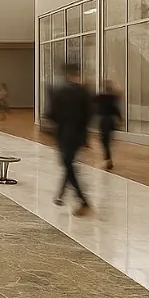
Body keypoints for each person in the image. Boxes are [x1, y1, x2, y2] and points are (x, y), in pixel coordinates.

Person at [46, 63, 93, 216]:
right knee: (69, 163)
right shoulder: (84, 92)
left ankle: (82, 200)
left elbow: (51, 114)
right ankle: (61, 194)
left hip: (64, 133)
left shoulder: (60, 92)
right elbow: (89, 115)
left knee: (67, 163)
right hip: (78, 134)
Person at [94, 81, 123, 170]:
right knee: (106, 140)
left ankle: (107, 159)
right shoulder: (113, 97)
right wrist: (120, 118)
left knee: (104, 141)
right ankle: (108, 159)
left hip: (104, 120)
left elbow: (92, 101)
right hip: (111, 120)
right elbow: (116, 108)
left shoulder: (101, 97)